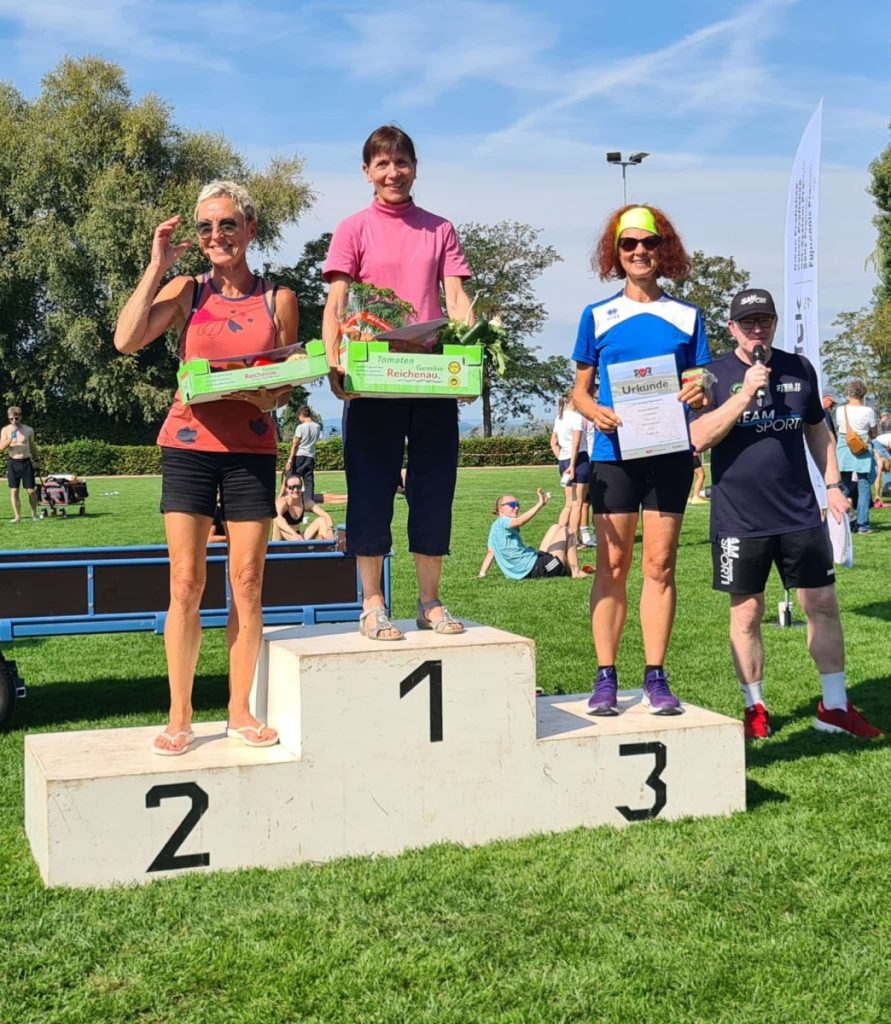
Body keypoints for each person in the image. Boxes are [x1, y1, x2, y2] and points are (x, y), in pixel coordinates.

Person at [114, 180, 297, 755]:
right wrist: (156, 265)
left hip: (251, 451)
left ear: (251, 229)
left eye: (228, 224)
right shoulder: (186, 290)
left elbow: (286, 382)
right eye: (206, 227)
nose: (216, 235)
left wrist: (268, 394)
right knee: (186, 583)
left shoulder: (278, 298)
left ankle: (240, 710)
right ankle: (180, 715)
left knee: (248, 581)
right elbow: (125, 340)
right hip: (188, 446)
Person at [689, 288, 883, 741]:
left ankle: (835, 706)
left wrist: (832, 485)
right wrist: (744, 394)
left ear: (774, 324)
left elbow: (817, 430)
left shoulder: (799, 368)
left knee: (822, 604)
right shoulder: (712, 375)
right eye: (748, 322)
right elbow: (698, 437)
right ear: (732, 328)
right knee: (747, 613)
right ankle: (754, 707)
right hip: (739, 518)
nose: (757, 330)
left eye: (764, 321)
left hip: (799, 512)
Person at [322, 125, 474, 640]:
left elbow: (456, 301)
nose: (393, 172)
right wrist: (335, 364)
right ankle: (372, 603)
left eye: (402, 162)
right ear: (367, 171)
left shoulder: (440, 229)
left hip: (430, 383)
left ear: (415, 168)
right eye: (382, 164)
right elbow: (337, 304)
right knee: (370, 491)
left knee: (434, 490)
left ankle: (429, 602)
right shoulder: (352, 228)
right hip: (372, 382)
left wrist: (471, 359)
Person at [572, 204, 710, 717]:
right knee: (612, 564)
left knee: (660, 564)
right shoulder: (597, 316)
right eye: (628, 244)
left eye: (648, 243)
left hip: (669, 453)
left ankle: (656, 675)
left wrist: (700, 391)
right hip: (614, 455)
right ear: (616, 253)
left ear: (662, 249)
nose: (639, 252)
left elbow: (701, 382)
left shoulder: (687, 316)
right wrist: (595, 411)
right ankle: (605, 676)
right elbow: (579, 393)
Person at [478, 490, 586, 580]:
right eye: (512, 505)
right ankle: (575, 571)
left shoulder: (495, 526)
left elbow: (491, 552)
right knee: (567, 530)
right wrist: (539, 504)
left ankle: (570, 569)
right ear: (500, 509)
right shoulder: (503, 521)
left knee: (556, 527)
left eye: (517, 505)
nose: (516, 508)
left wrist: (482, 574)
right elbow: (520, 521)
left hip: (535, 561)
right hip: (537, 568)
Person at [836, 380, 876, 534]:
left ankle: (844, 522)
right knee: (864, 486)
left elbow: (839, 428)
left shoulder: (840, 410)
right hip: (862, 448)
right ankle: (862, 525)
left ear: (849, 393)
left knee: (844, 487)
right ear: (863, 394)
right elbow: (873, 432)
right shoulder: (868, 411)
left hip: (844, 446)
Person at [549, 391, 589, 544]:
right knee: (577, 504)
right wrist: (572, 465)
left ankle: (557, 537)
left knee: (568, 504)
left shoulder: (559, 418)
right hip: (578, 461)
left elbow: (553, 442)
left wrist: (561, 458)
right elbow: (576, 444)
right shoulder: (577, 418)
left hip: (564, 461)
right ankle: (574, 540)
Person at [1, 406, 41, 523]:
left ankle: (34, 514)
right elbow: (1, 447)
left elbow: (32, 446)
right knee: (14, 491)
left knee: (31, 491)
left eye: (16, 418)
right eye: (11, 419)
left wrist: (36, 459)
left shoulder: (28, 430)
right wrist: (11, 437)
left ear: (20, 417)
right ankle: (17, 517)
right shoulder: (5, 430)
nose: (14, 421)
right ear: (9, 418)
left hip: (26, 462)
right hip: (13, 463)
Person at [272, 474, 334, 541]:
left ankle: (325, 544)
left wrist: (329, 529)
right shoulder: (282, 502)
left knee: (321, 520)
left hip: (298, 537)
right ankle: (277, 547)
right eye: (291, 487)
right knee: (277, 521)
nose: (295, 490)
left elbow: (326, 515)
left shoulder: (305, 502)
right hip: (282, 538)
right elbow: (277, 518)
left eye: (298, 487)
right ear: (286, 489)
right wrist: (293, 534)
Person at [285, 406, 321, 503]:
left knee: (292, 478)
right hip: (311, 455)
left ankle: (291, 500)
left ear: (301, 415)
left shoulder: (300, 427)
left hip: (299, 455)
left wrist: (290, 459)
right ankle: (309, 502)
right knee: (308, 480)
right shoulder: (317, 426)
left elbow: (295, 444)